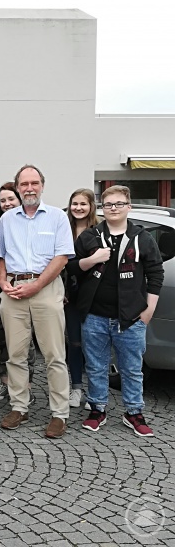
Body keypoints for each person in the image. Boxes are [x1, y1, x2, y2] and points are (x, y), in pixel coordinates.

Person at [72, 185, 163, 437]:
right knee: (96, 366)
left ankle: (134, 412)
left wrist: (149, 310)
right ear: (102, 208)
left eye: (119, 204)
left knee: (132, 368)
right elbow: (74, 268)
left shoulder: (142, 238)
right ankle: (97, 408)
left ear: (128, 207)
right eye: (108, 204)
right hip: (94, 316)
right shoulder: (90, 236)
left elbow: (156, 273)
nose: (113, 208)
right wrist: (93, 259)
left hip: (132, 317)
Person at [0, 165, 73, 439]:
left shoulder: (57, 217)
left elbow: (62, 257)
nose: (29, 188)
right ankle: (19, 406)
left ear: (42, 185)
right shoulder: (7, 220)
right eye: (24, 184)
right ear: (17, 187)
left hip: (46, 288)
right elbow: (1, 256)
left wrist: (37, 285)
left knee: (54, 355)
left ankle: (59, 413)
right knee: (15, 355)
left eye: (34, 183)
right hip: (14, 291)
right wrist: (3, 282)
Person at [0, 182, 38, 402]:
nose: (7, 203)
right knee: (1, 339)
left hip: (25, 288)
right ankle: (5, 383)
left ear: (19, 200)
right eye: (3, 200)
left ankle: (25, 386)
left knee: (25, 340)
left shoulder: (31, 223)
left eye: (11, 199)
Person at [64, 188, 99, 408]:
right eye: (74, 203)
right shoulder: (63, 227)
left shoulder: (100, 229)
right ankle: (76, 388)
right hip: (70, 296)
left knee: (95, 344)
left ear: (91, 206)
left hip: (95, 295)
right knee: (74, 343)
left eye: (83, 204)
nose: (78, 208)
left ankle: (96, 391)